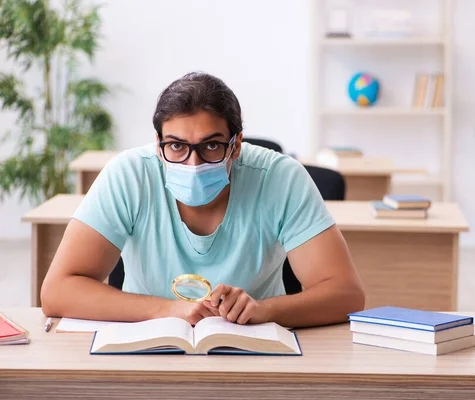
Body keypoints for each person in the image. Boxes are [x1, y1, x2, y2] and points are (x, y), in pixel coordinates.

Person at [41, 72, 365, 328]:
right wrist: (170, 310)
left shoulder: (280, 177)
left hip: (254, 348)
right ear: (158, 145)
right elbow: (58, 291)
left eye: (211, 146)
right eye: (176, 146)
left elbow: (346, 295)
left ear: (235, 145)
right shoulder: (128, 175)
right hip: (145, 343)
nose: (192, 164)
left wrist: (262, 310)